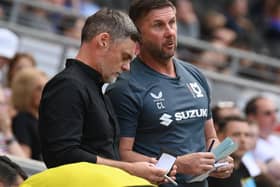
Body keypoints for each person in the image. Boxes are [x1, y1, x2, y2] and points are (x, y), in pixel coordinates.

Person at [38, 8, 173, 184]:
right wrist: (130, 169)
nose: (127, 67)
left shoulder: (94, 88)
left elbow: (102, 153)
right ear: (103, 41)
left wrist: (142, 167)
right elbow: (63, 154)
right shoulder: (68, 85)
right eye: (125, 57)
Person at [106, 1, 234, 186]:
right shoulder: (125, 86)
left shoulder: (195, 75)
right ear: (137, 34)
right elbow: (121, 155)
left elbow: (210, 137)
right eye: (158, 25)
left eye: (172, 22)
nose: (170, 32)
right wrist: (178, 165)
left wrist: (220, 159)